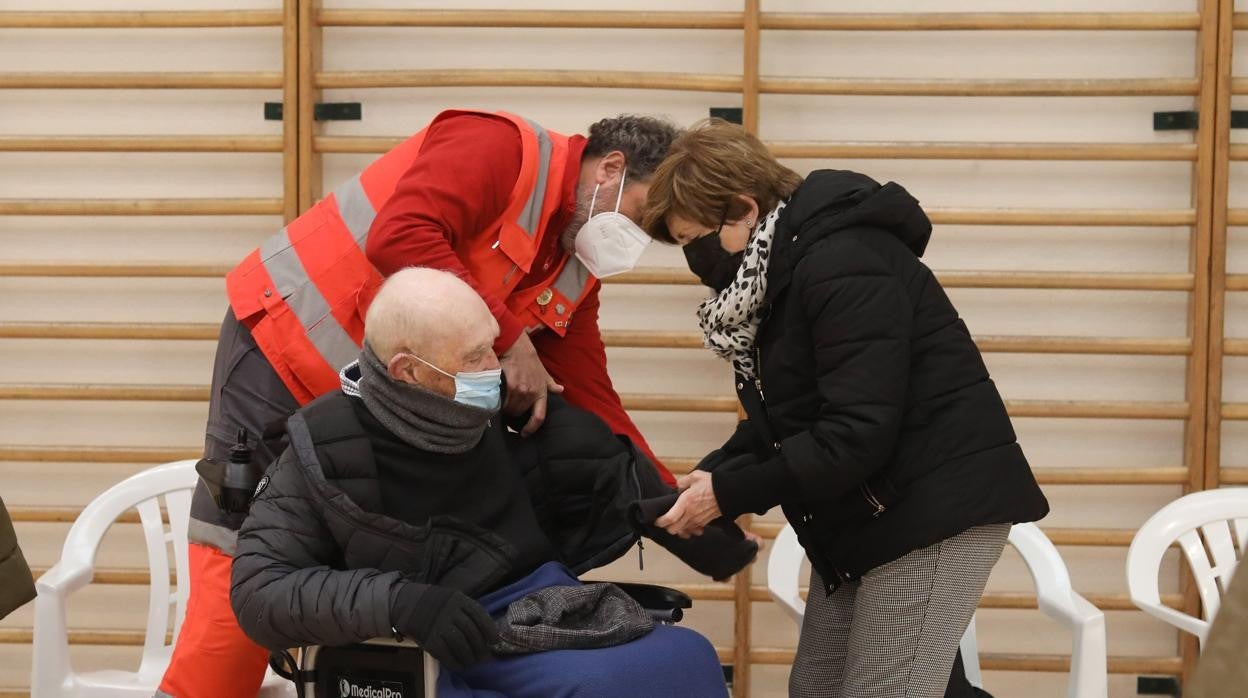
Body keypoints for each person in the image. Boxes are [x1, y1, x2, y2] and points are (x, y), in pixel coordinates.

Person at [159, 109, 682, 698]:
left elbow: (589, 393)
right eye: (644, 217)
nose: (637, 243)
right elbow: (401, 233)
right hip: (284, 351)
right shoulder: (499, 148)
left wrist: (669, 502)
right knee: (240, 563)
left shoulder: (572, 264)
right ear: (610, 169)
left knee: (361, 592)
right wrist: (510, 339)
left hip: (380, 407)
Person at [641, 120, 1050, 698]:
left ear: (743, 209)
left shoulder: (842, 262)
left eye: (696, 242)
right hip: (871, 515)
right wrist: (717, 475)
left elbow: (855, 433)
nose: (697, 263)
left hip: (933, 509)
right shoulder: (779, 277)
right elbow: (789, 419)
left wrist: (729, 496)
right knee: (820, 689)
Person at [230, 268, 728, 698]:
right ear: (409, 371)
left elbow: (578, 483)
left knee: (689, 656)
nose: (496, 367)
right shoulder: (324, 443)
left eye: (493, 347)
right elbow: (258, 590)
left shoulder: (488, 409)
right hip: (450, 633)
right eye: (474, 358)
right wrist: (401, 603)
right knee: (602, 688)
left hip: (543, 601)